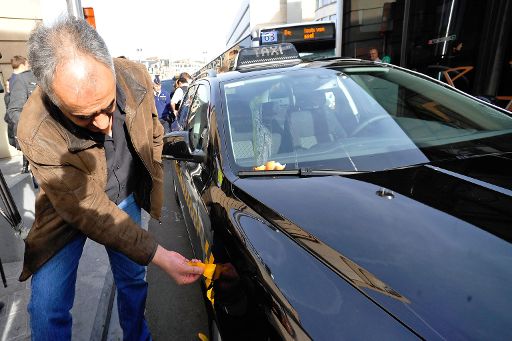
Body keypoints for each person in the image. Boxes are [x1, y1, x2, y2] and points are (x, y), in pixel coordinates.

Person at [16, 16, 203, 340]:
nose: (104, 125)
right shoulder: (35, 128)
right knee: (47, 307)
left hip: (125, 195)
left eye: (109, 106)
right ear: (52, 96)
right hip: (67, 209)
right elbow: (87, 206)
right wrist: (160, 255)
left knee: (132, 280)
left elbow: (154, 131)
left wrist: (151, 170)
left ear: (109, 66)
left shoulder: (135, 76)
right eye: (85, 116)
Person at [5, 55, 37, 173]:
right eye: (27, 63)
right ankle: (25, 166)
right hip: (24, 124)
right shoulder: (15, 80)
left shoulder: (14, 79)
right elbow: (12, 108)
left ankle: (25, 167)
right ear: (23, 64)